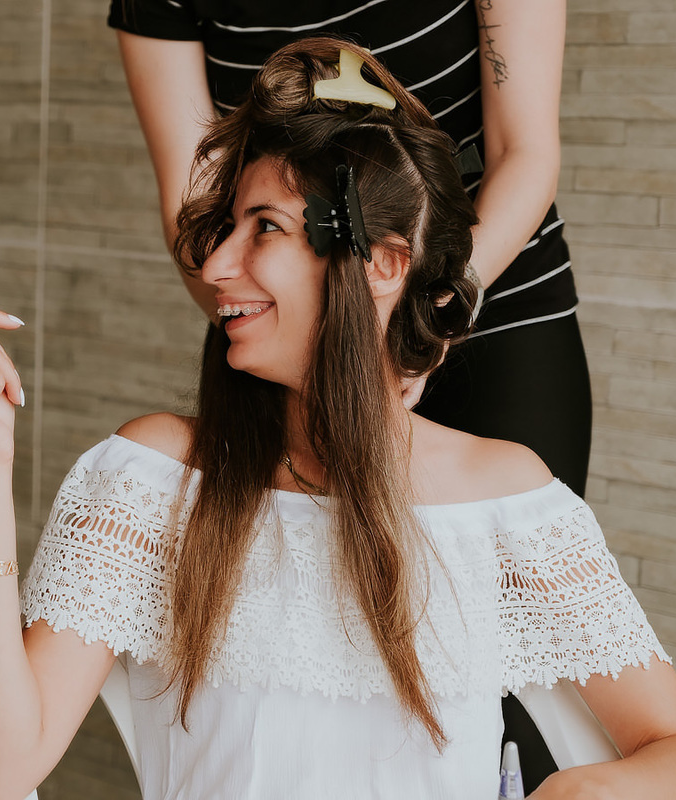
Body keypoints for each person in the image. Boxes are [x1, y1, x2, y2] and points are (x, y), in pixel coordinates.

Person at [0, 39, 676, 800]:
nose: (216, 264)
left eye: (264, 227)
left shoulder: (504, 504)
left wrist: (590, 785)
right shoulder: (152, 479)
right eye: (226, 226)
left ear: (384, 265)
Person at [110, 1, 588, 784]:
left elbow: (524, 150)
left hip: (481, 291)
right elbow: (195, 205)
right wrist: (296, 323)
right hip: (296, 300)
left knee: (509, 689)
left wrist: (422, 317)